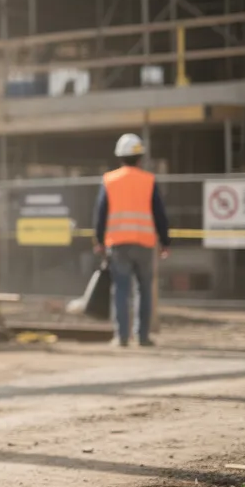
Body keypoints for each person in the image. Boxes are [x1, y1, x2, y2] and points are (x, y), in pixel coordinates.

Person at [93, 133, 171, 347]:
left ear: (119, 157)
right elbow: (160, 214)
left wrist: (99, 240)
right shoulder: (149, 181)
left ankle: (122, 337)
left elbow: (101, 213)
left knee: (120, 290)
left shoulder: (109, 180)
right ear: (140, 157)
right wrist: (165, 242)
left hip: (118, 244)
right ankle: (143, 337)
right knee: (144, 291)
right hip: (145, 244)